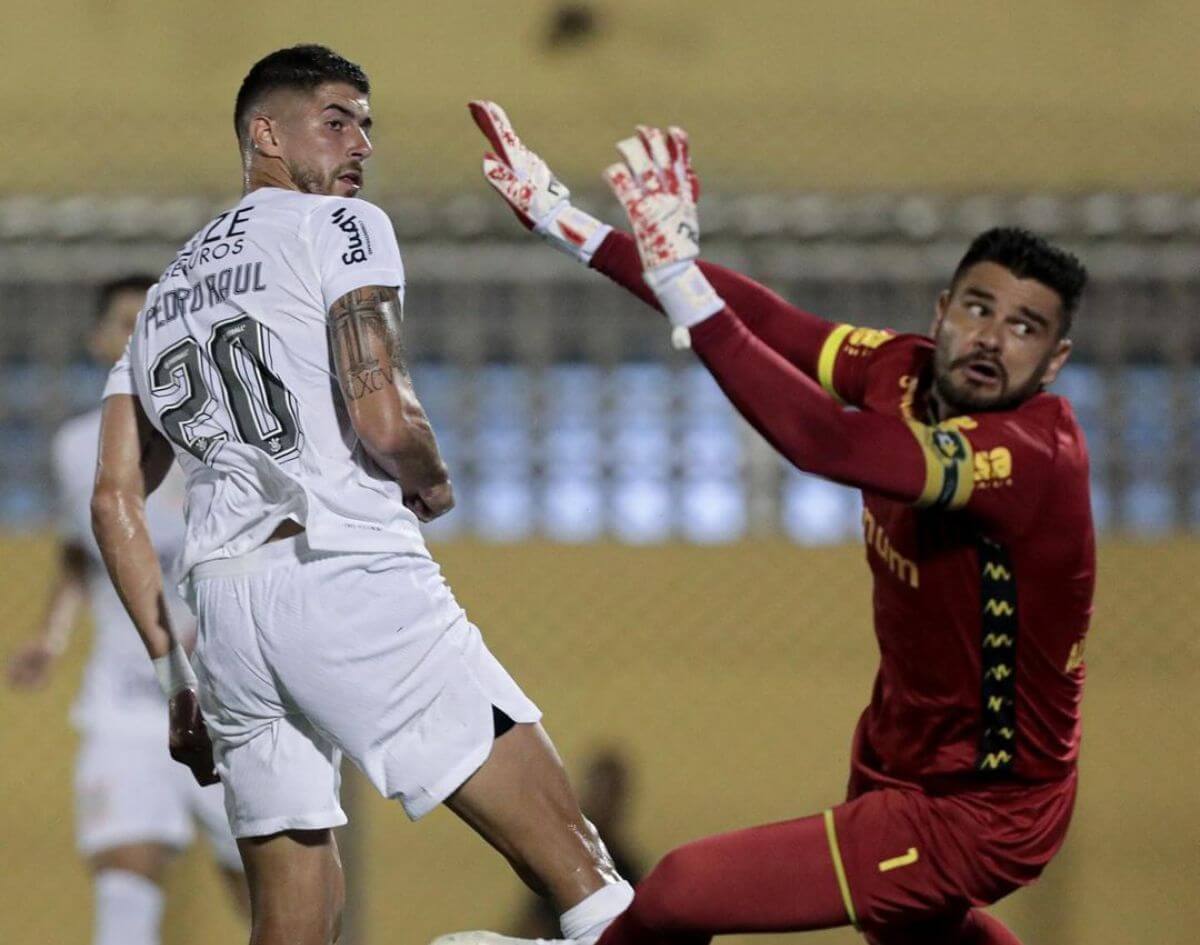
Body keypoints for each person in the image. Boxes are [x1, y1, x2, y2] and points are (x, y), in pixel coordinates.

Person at [442, 102, 1094, 945]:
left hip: (983, 805)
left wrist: (686, 285)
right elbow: (765, 321)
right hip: (898, 759)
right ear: (941, 310)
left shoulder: (1032, 455)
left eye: (1024, 327)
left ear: (1054, 361)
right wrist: (569, 223)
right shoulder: (902, 368)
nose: (990, 337)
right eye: (977, 307)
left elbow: (822, 440)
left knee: (677, 890)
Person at [88, 49, 631, 945]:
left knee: (292, 928)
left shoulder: (164, 296)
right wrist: (431, 476)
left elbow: (115, 499)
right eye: (337, 120)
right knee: (589, 882)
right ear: (266, 132)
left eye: (366, 125)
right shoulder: (338, 227)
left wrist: (173, 675)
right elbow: (383, 417)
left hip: (226, 617)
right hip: (344, 575)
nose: (361, 145)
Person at [6, 276, 249, 945]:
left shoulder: (220, 442)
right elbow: (82, 555)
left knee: (267, 889)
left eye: (158, 322)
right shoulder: (73, 449)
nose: (140, 336)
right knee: (125, 881)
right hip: (126, 699)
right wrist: (50, 637)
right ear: (99, 341)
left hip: (229, 702)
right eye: (125, 322)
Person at [513, 749, 646, 939]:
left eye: (610, 793)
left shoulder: (627, 869)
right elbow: (533, 924)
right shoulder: (561, 855)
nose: (603, 802)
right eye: (598, 790)